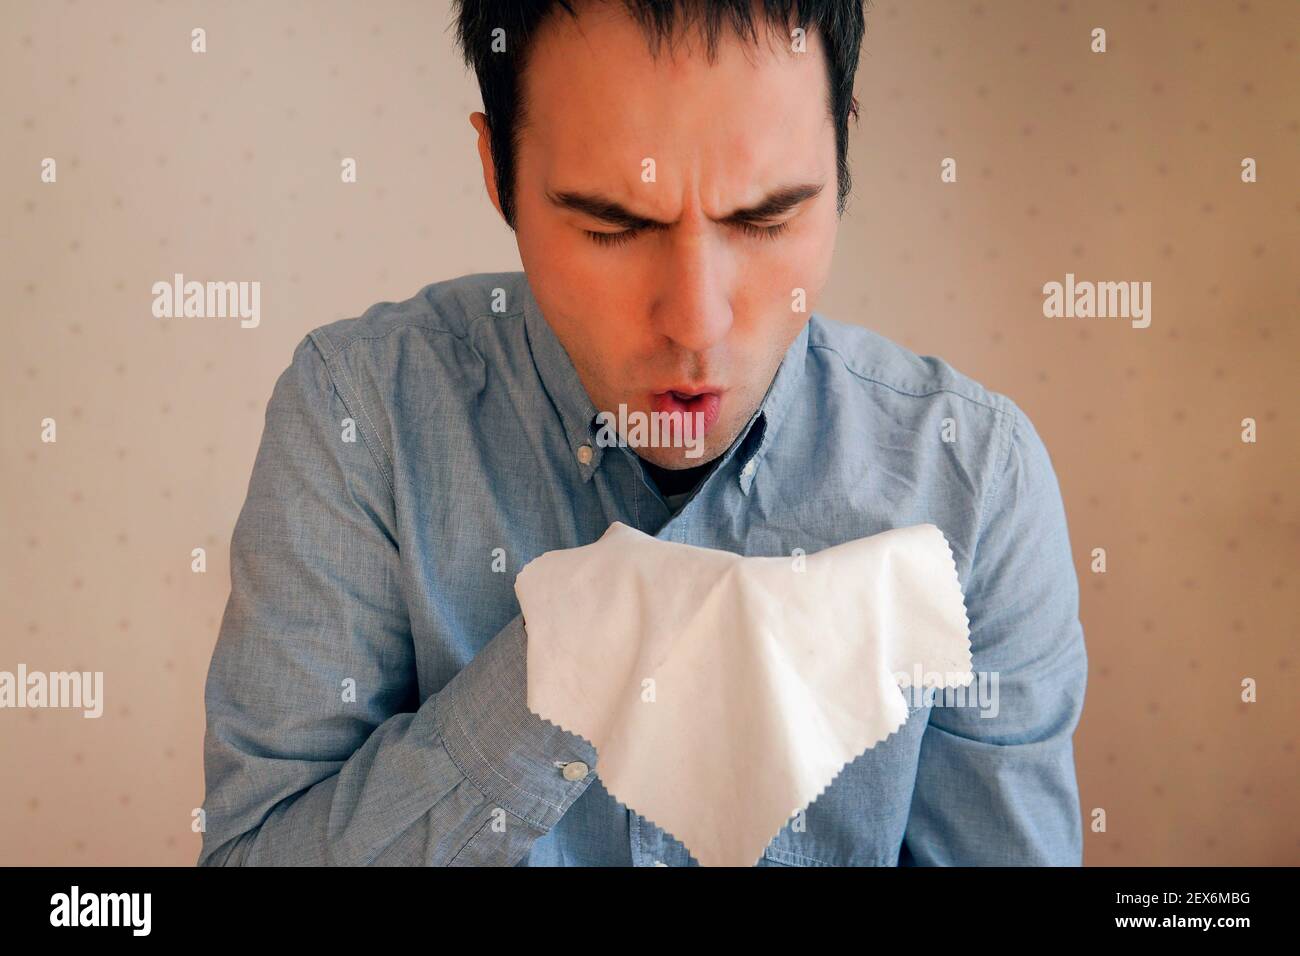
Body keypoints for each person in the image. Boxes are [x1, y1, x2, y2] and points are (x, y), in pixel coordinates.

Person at [199, 0, 1087, 866]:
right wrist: (568, 659)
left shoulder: (973, 478)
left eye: (767, 218)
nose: (696, 323)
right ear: (495, 171)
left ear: (844, 147)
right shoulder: (362, 416)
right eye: (612, 227)